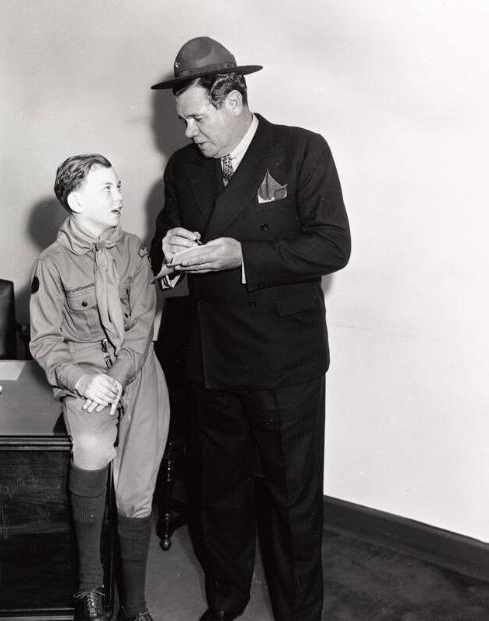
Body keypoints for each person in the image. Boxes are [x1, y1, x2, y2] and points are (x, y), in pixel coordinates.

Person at [150, 37, 351, 621]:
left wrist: (244, 257)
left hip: (283, 361)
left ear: (233, 100)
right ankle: (225, 601)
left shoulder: (300, 150)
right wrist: (168, 247)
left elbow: (332, 245)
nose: (188, 131)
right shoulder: (183, 168)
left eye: (196, 117)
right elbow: (165, 242)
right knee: (221, 497)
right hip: (212, 359)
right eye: (182, 119)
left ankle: (297, 614)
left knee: (292, 503)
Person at [29, 154, 170, 621]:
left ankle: (135, 606)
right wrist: (83, 379)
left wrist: (119, 375)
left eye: (120, 186)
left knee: (136, 493)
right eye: (107, 189)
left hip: (137, 369)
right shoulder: (51, 263)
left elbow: (142, 321)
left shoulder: (133, 250)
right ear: (75, 200)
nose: (120, 197)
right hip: (86, 373)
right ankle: (89, 588)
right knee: (89, 447)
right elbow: (46, 340)